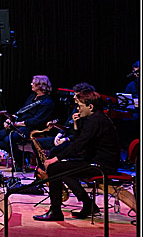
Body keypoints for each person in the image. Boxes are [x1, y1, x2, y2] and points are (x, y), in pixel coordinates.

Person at [34, 89, 121, 221]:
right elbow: (79, 140)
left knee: (54, 168)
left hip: (101, 166)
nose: (78, 109)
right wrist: (75, 125)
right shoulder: (95, 118)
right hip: (96, 161)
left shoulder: (95, 120)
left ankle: (56, 211)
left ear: (90, 106)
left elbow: (79, 144)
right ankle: (88, 204)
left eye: (80, 106)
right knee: (63, 168)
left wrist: (55, 159)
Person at [0, 75, 56, 167]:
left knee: (9, 139)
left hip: (31, 128)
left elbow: (36, 121)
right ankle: (22, 155)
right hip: (19, 125)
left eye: (33, 83)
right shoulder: (32, 97)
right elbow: (21, 111)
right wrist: (10, 119)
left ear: (40, 86)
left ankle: (19, 161)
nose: (31, 84)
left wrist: (17, 124)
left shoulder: (47, 103)